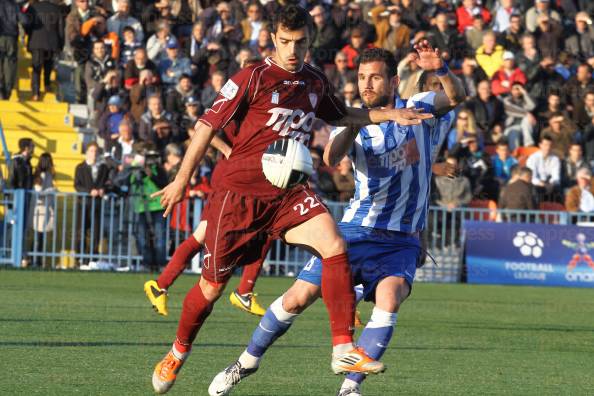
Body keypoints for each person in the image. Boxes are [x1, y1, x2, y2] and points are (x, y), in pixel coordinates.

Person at [149, 6, 433, 394]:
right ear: (272, 39)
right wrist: (181, 181)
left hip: (287, 193)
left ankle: (343, 349)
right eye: (285, 42)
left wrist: (387, 114)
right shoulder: (252, 77)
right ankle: (178, 353)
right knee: (212, 288)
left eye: (300, 42)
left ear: (309, 41)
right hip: (239, 195)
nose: (293, 50)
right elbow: (204, 126)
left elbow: (343, 115)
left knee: (333, 243)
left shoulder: (314, 81)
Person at [207, 44, 464, 396]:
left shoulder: (419, 108)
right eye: (361, 78)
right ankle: (246, 362)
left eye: (374, 77)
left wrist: (443, 69)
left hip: (402, 239)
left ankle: (349, 389)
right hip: (357, 229)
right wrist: (356, 122)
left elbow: (456, 96)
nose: (367, 84)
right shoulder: (353, 119)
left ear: (393, 80)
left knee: (390, 300)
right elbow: (331, 156)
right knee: (298, 298)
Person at [74, 142, 109, 264]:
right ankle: (80, 258)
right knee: (81, 230)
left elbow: (108, 183)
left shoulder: (103, 168)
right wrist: (89, 191)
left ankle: (93, 258)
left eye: (96, 151)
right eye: (91, 151)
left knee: (96, 231)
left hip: (97, 204)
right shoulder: (80, 167)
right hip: (83, 204)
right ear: (87, 152)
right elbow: (77, 185)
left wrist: (103, 189)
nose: (94, 153)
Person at [24, 0, 63, 101]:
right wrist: (60, 45)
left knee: (36, 67)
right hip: (51, 43)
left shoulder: (32, 8)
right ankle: (47, 85)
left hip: (36, 41)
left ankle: (35, 92)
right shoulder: (56, 9)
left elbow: (27, 25)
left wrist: (29, 34)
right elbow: (61, 28)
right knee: (48, 65)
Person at [31, 153, 56, 268]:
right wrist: (52, 189)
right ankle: (35, 260)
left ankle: (38, 260)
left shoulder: (48, 174)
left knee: (41, 236)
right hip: (40, 209)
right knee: (38, 236)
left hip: (46, 209)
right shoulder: (41, 175)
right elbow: (38, 192)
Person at [0, 0, 28, 99]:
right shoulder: (15, 5)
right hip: (11, 38)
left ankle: (1, 86)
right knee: (10, 64)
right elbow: (24, 20)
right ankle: (7, 90)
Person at [526, 135, 561, 202]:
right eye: (545, 145)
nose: (548, 147)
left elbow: (556, 177)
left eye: (550, 145)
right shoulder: (533, 158)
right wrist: (541, 184)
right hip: (536, 185)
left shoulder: (555, 159)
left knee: (557, 188)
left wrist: (550, 184)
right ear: (540, 145)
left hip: (549, 184)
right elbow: (532, 178)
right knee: (536, 190)